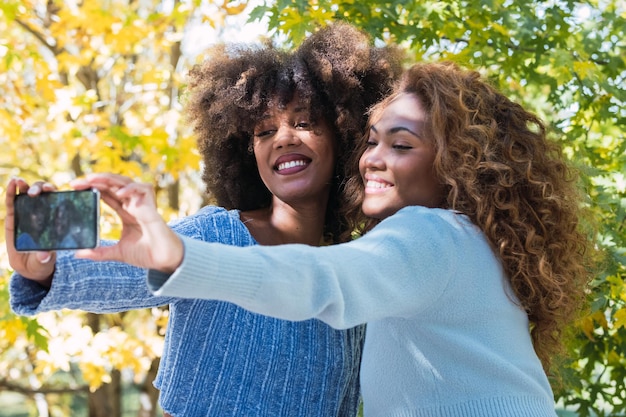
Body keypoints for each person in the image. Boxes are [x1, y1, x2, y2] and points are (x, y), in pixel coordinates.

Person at [71, 61, 593, 417]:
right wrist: (42, 266)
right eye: (372, 141)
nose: (374, 158)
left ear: (456, 162)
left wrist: (176, 256)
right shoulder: (459, 247)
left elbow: (324, 279)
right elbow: (110, 274)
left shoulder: (424, 238)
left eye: (402, 144)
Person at [6, 23, 402, 417]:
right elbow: (127, 274)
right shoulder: (218, 234)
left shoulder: (354, 269)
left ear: (344, 136)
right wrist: (45, 270)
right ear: (248, 154)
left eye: (303, 122)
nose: (283, 137)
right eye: (264, 131)